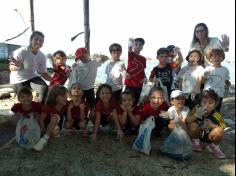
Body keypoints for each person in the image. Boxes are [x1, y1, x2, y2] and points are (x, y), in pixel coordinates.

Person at [9, 31, 51, 104]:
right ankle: (22, 111)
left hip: (32, 77)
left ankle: (39, 107)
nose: (38, 42)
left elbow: (43, 73)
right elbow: (11, 67)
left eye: (41, 40)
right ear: (31, 40)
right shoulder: (21, 52)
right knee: (25, 96)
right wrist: (18, 66)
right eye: (36, 39)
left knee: (44, 88)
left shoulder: (42, 56)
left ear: (43, 43)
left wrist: (54, 80)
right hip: (18, 79)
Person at [68, 47, 109, 118]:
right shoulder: (77, 65)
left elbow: (106, 58)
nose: (81, 58)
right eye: (79, 58)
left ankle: (92, 116)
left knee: (91, 105)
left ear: (87, 54)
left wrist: (98, 56)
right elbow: (72, 76)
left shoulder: (94, 62)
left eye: (83, 56)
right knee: (79, 104)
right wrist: (70, 69)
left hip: (90, 88)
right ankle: (80, 117)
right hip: (79, 90)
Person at [186, 90, 226, 159]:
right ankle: (196, 142)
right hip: (198, 134)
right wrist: (196, 115)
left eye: (210, 103)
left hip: (210, 137)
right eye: (204, 102)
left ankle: (214, 146)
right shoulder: (196, 109)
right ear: (200, 103)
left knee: (219, 131)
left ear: (215, 104)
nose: (207, 105)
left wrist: (212, 126)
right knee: (193, 125)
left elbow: (223, 127)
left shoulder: (216, 114)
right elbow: (187, 121)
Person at [33, 85, 68, 151]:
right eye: (62, 96)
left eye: (66, 95)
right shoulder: (47, 107)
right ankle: (47, 134)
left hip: (56, 123)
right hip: (45, 125)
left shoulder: (66, 104)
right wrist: (43, 129)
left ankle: (44, 139)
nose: (65, 97)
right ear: (54, 97)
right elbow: (41, 119)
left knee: (55, 118)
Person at [125, 38, 146, 104]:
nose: (138, 46)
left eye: (140, 45)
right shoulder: (130, 54)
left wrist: (145, 78)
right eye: (136, 44)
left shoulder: (143, 59)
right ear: (133, 45)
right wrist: (130, 42)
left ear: (142, 47)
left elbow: (142, 70)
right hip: (129, 84)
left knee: (136, 103)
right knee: (127, 103)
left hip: (139, 85)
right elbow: (129, 48)